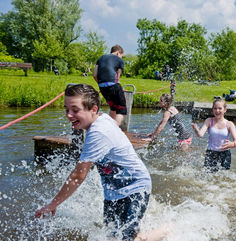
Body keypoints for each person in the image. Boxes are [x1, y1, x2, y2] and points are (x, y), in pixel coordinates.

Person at [34, 84, 168, 241]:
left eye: (75, 110)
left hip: (135, 187)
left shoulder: (98, 132)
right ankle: (146, 235)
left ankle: (167, 230)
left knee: (123, 239)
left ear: (93, 109)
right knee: (112, 237)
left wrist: (52, 204)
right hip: (113, 192)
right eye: (66, 109)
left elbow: (78, 176)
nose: (69, 115)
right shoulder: (101, 119)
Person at [192, 99, 236, 172]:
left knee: (223, 176)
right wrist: (196, 129)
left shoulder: (229, 124)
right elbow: (200, 135)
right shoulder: (209, 121)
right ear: (212, 109)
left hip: (225, 154)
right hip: (211, 153)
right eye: (215, 108)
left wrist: (232, 144)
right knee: (207, 174)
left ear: (225, 110)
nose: (217, 111)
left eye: (220, 108)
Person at [93, 44, 126, 126]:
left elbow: (95, 75)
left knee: (113, 107)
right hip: (113, 85)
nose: (121, 58)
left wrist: (102, 85)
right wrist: (118, 89)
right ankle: (113, 130)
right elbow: (117, 78)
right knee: (121, 109)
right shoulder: (119, 60)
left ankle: (109, 126)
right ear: (118, 53)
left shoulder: (101, 58)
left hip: (102, 87)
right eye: (122, 56)